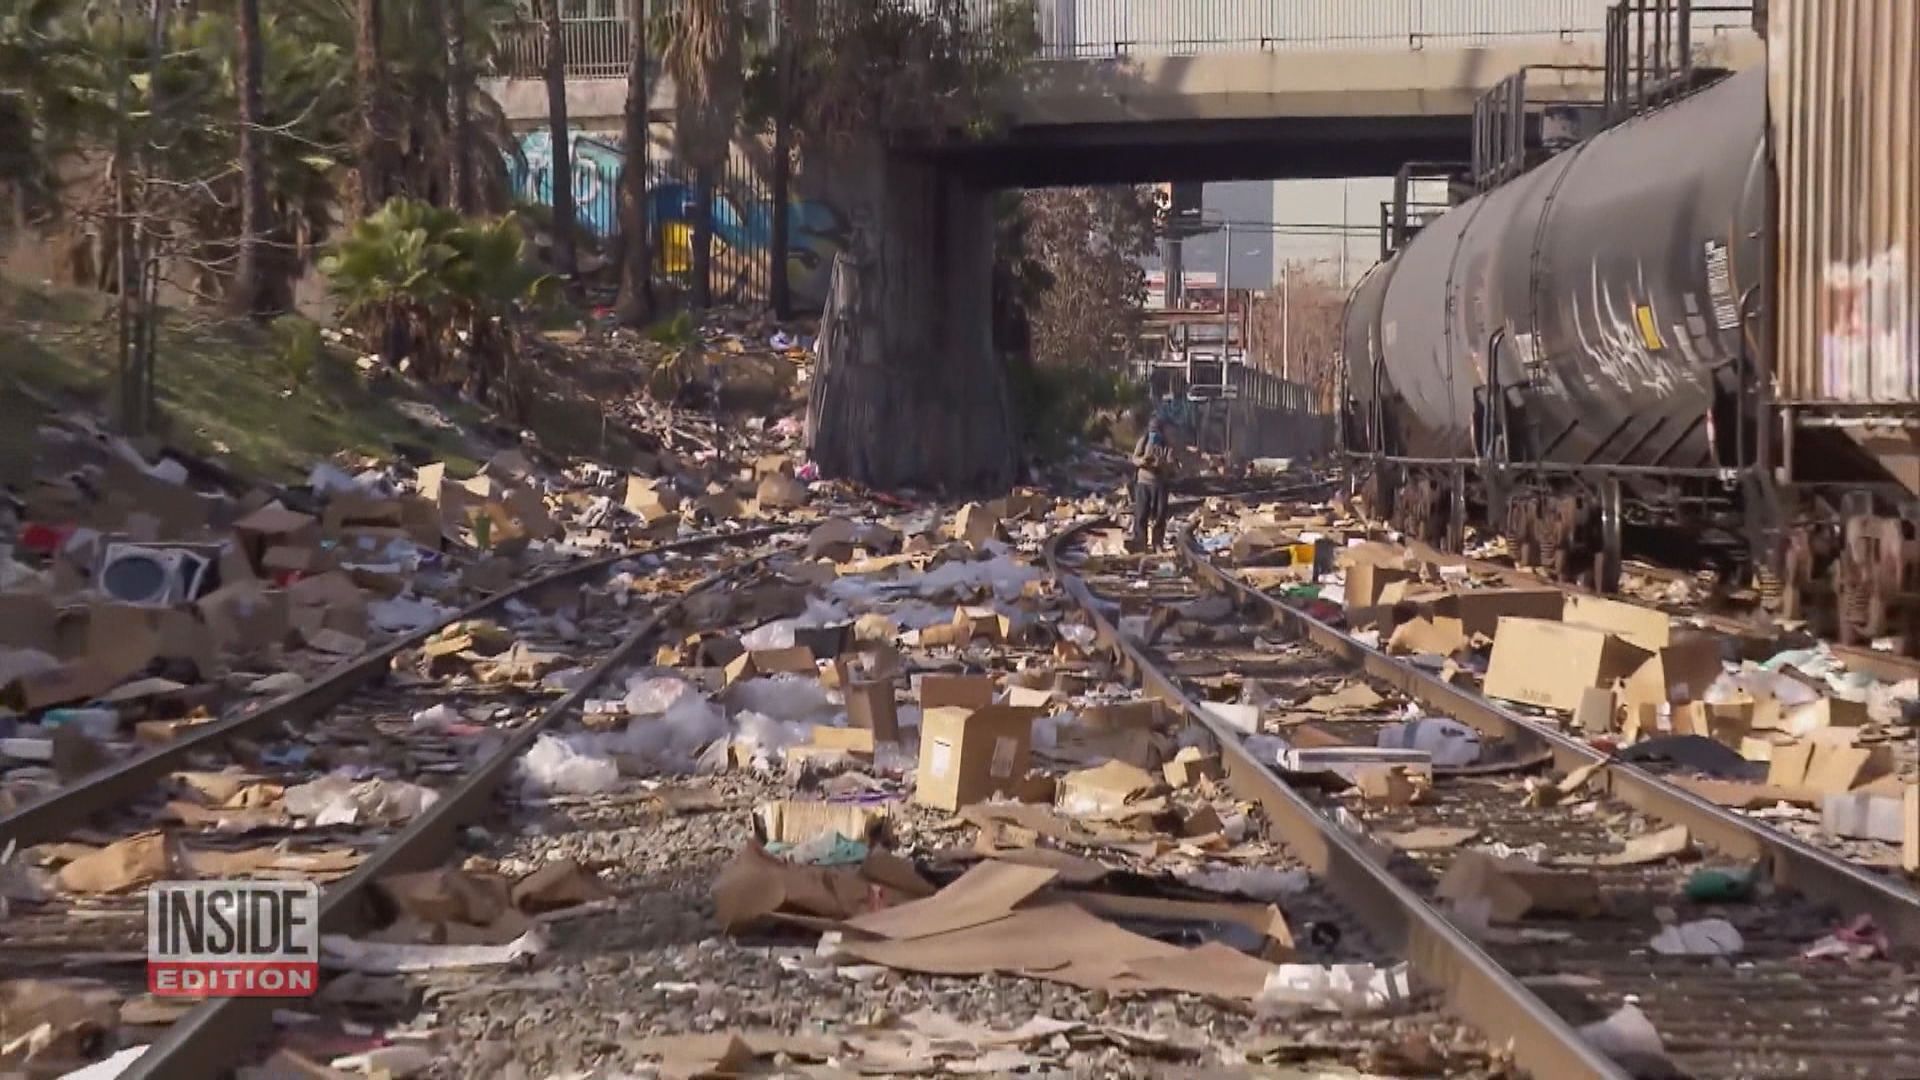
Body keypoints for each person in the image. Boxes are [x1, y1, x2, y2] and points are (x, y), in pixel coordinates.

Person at [1130, 415, 1176, 550]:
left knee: (1160, 514)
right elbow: (1134, 458)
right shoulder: (1143, 441)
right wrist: (1143, 461)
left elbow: (1171, 464)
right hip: (1143, 481)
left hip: (1160, 483)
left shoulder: (1167, 446)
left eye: (1156, 431)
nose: (1154, 435)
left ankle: (1157, 542)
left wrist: (1161, 464)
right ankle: (1140, 541)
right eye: (1152, 431)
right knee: (1141, 513)